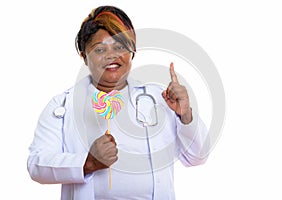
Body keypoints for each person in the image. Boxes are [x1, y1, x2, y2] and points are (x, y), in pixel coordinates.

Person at [27, 5, 210, 200]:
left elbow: (197, 158)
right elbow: (36, 164)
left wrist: (185, 114)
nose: (111, 55)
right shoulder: (62, 105)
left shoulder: (160, 98)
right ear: (84, 56)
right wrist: (87, 163)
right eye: (99, 49)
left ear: (132, 51)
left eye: (120, 47)